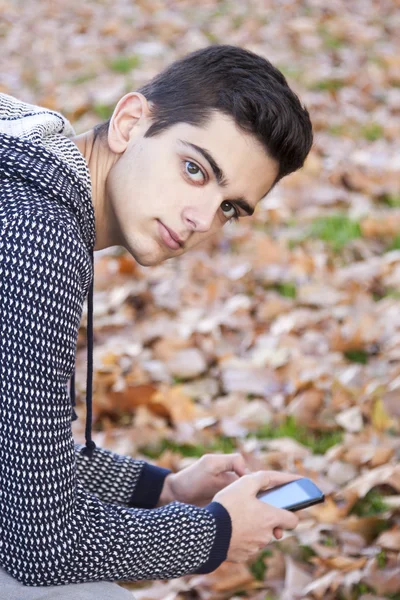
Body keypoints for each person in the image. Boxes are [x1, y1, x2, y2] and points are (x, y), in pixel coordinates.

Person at [0, 44, 313, 599]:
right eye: (195, 169)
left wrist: (162, 490)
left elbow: (17, 458)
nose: (200, 219)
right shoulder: (36, 238)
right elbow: (40, 545)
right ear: (130, 122)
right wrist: (214, 534)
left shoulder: (25, 148)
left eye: (229, 207)